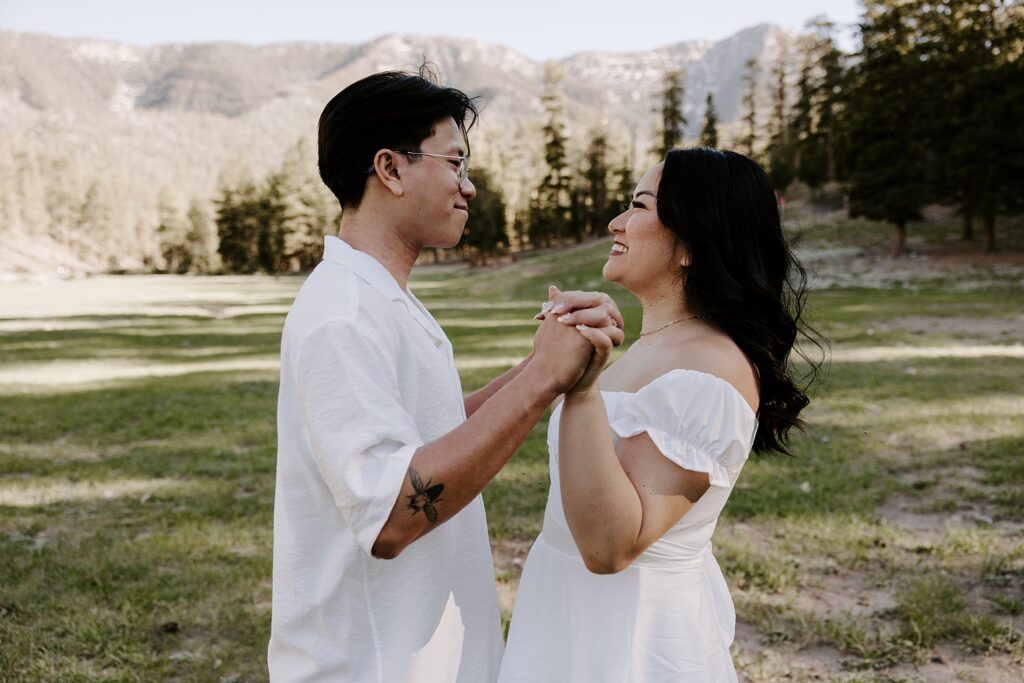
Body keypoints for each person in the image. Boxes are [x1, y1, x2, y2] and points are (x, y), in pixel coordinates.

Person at [268, 68, 624, 683]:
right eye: (454, 161)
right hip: (374, 666)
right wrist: (541, 377)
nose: (470, 186)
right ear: (391, 168)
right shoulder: (342, 315)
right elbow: (391, 516)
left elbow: (431, 430)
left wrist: (555, 364)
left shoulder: (382, 295)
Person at [498, 147, 821, 682]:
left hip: (628, 638)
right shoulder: (656, 349)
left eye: (639, 206)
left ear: (691, 242)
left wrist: (581, 393)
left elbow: (609, 546)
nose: (616, 221)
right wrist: (552, 361)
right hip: (566, 607)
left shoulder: (709, 372)